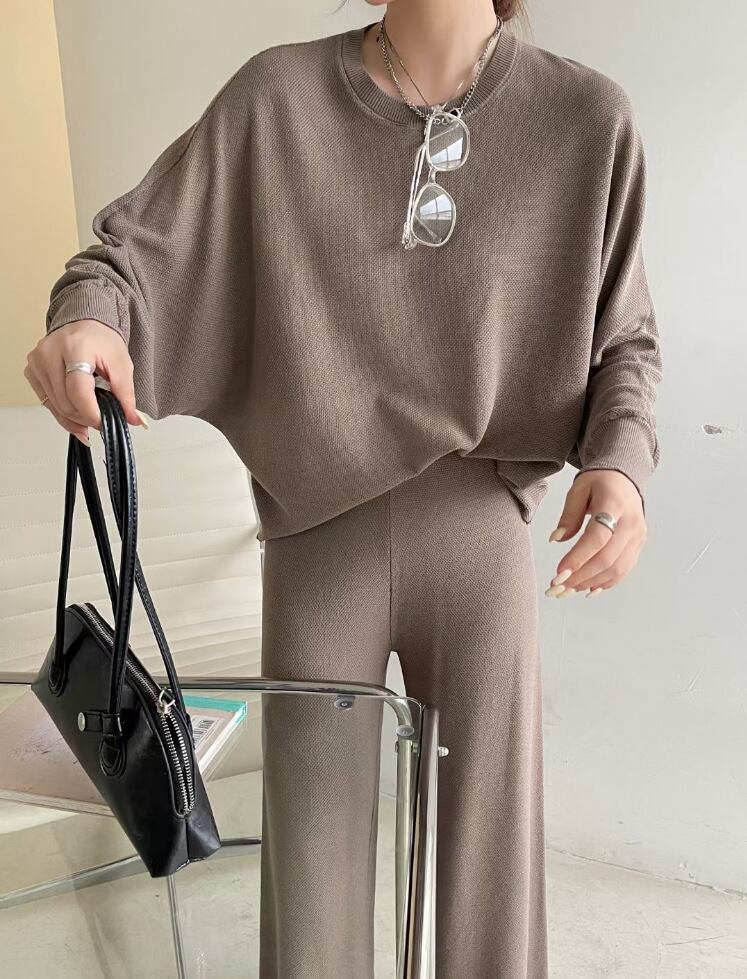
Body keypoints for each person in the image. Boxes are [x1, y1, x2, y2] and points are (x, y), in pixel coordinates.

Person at [24, 0, 662, 975]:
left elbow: (626, 338)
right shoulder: (276, 101)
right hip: (318, 537)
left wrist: (622, 463)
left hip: (480, 534)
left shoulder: (586, 119)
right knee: (312, 872)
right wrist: (91, 319)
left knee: (491, 871)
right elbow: (130, 256)